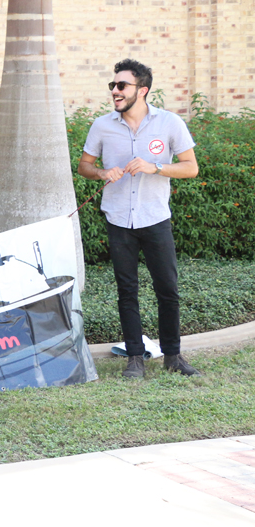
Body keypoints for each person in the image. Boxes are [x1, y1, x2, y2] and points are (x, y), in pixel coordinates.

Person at [77, 59, 201, 378]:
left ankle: (173, 356)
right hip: (119, 220)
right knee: (127, 291)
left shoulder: (169, 123)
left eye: (122, 85)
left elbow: (191, 167)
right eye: (113, 85)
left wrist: (154, 167)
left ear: (142, 90)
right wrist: (102, 172)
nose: (115, 91)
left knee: (168, 289)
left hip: (155, 218)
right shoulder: (102, 125)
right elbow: (84, 166)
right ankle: (135, 358)